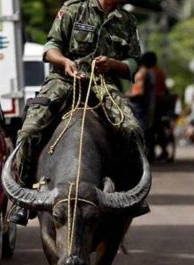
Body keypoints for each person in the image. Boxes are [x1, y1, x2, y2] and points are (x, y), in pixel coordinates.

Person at [9, 0, 148, 225]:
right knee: (29, 131)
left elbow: (133, 62)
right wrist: (64, 61)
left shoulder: (127, 21)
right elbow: (50, 47)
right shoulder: (74, 9)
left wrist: (113, 64)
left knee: (132, 129)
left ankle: (133, 195)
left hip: (103, 85)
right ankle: (23, 199)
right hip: (63, 81)